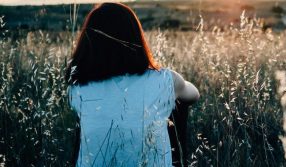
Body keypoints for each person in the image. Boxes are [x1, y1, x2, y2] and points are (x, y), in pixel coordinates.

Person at [66, 3, 199, 166]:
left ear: (89, 42)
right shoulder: (165, 80)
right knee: (176, 106)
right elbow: (193, 95)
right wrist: (176, 87)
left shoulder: (77, 88)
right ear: (135, 37)